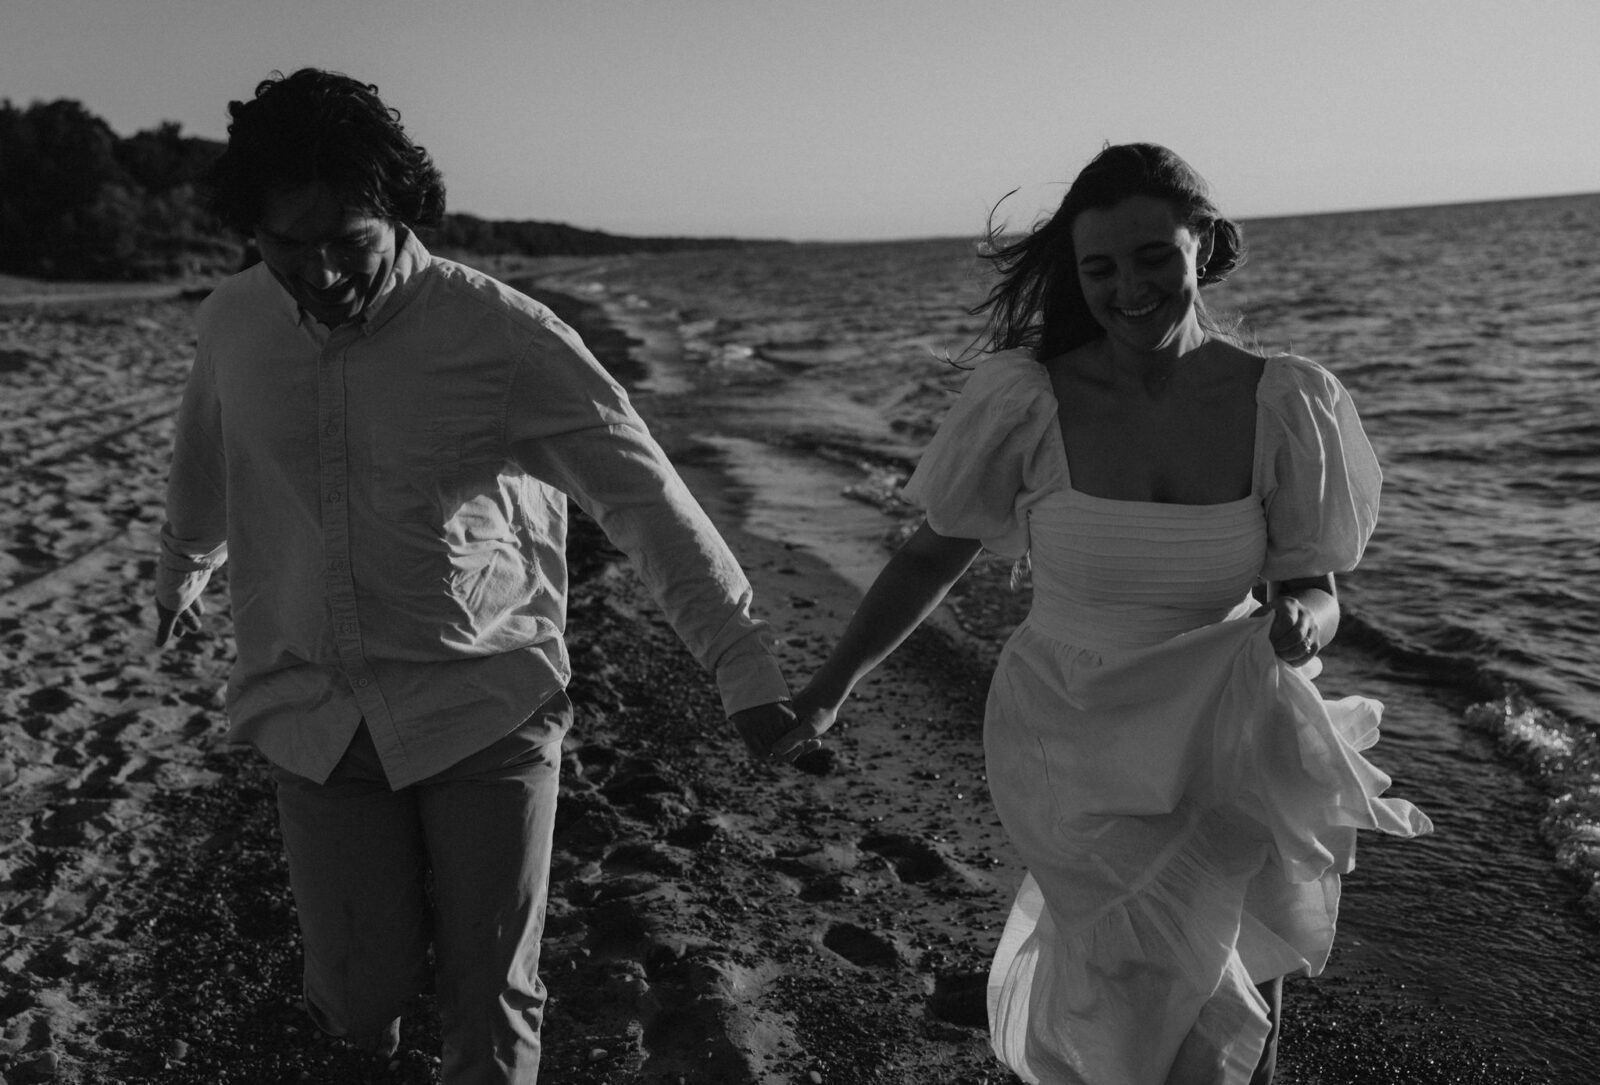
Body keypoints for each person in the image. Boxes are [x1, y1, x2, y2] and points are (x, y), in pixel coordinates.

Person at [152, 68, 793, 1083]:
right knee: (356, 999)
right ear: (250, 231)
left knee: (490, 1003)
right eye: (287, 244)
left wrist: (743, 669)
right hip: (314, 707)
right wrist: (182, 569)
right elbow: (206, 452)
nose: (317, 272)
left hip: (483, 706)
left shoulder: (503, 336)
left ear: (399, 212)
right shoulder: (233, 319)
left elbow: (643, 498)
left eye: (346, 243)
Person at [761, 144, 1433, 1084]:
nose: (1129, 289)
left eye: (1153, 256)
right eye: (1100, 268)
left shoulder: (1284, 400)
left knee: (1234, 991)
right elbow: (928, 557)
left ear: (1203, 243)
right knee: (1125, 989)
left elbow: (1313, 587)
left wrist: (1305, 625)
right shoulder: (1027, 401)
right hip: (1074, 741)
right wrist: (829, 691)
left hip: (1230, 729)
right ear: (1076, 276)